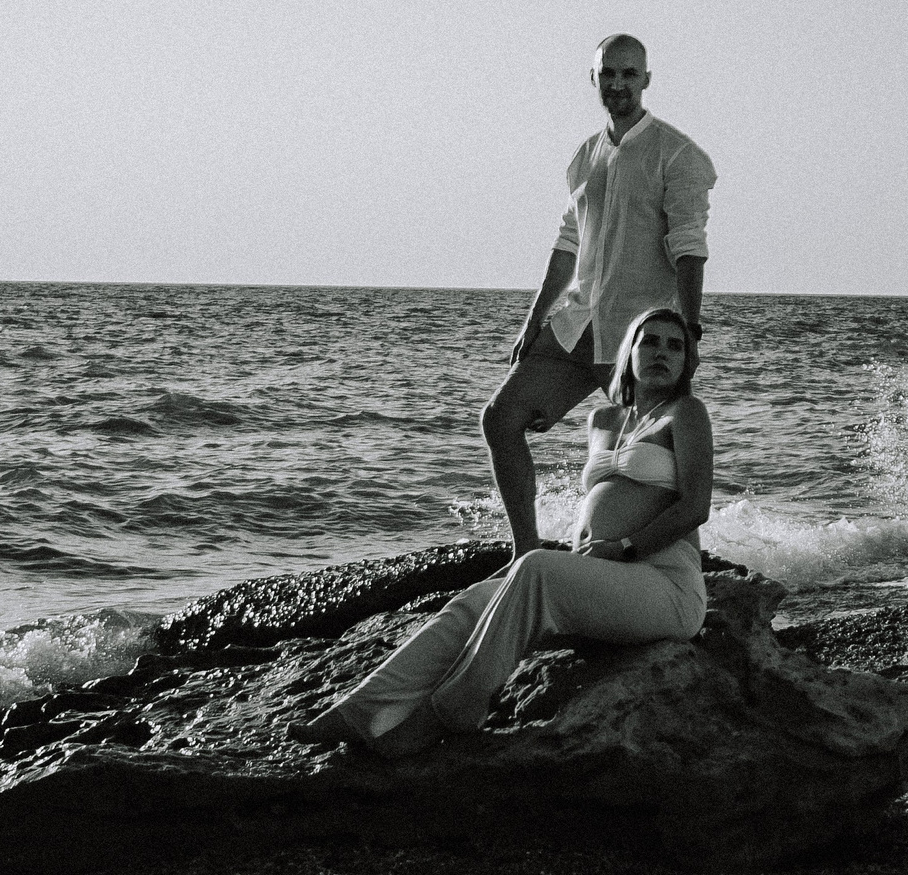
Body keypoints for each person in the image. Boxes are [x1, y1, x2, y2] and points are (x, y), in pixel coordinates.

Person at [295, 308, 713, 754]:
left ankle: (448, 711)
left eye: (675, 346)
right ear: (628, 351)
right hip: (605, 581)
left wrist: (624, 548)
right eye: (650, 341)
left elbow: (695, 507)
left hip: (665, 586)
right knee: (472, 602)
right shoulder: (604, 420)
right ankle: (359, 710)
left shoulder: (686, 413)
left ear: (687, 362)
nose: (661, 353)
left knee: (533, 568)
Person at [484, 33, 716, 554]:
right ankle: (526, 554)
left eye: (629, 74)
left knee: (654, 455)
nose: (617, 84)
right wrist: (533, 320)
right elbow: (567, 245)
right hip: (577, 325)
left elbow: (690, 249)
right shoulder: (584, 157)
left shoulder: (678, 155)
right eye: (607, 74)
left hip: (638, 337)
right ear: (594, 79)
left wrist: (690, 332)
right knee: (500, 419)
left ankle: (666, 560)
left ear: (646, 80)